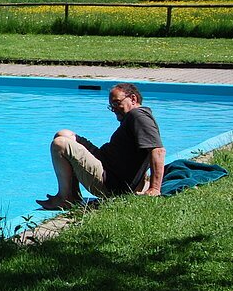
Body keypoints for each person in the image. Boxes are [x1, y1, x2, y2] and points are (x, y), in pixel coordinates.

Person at [37, 82, 165, 210]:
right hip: (106, 163)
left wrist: (154, 188)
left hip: (110, 182)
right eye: (111, 106)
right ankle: (72, 195)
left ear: (133, 99)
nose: (114, 109)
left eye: (116, 103)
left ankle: (66, 199)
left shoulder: (138, 116)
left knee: (59, 144)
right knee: (64, 134)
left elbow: (158, 150)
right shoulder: (133, 117)